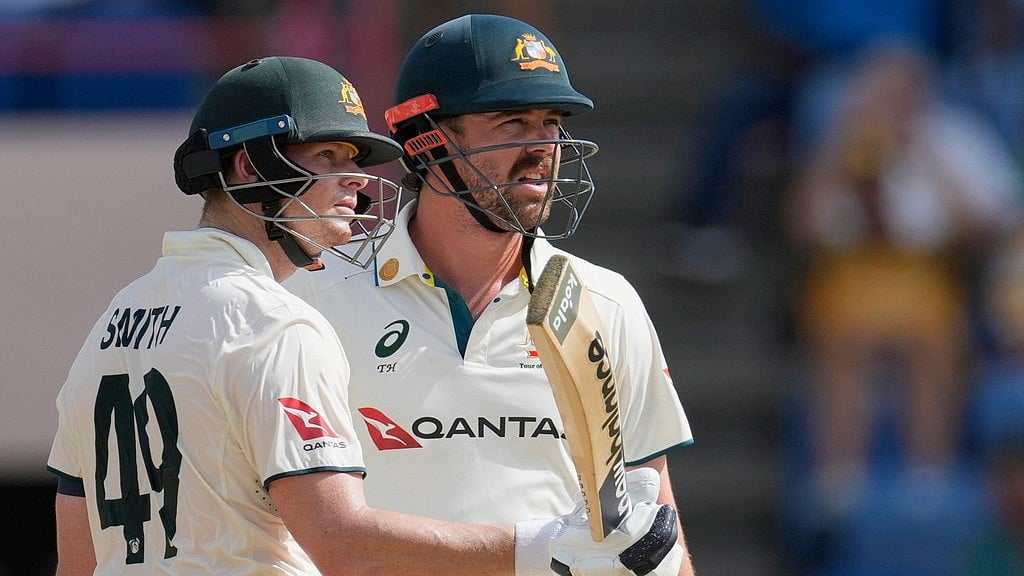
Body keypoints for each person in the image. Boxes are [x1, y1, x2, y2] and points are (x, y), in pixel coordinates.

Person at [45, 55, 684, 576]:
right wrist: (547, 547)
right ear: (248, 165)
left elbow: (77, 551)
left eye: (356, 161)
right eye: (328, 158)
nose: (354, 181)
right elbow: (346, 544)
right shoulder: (279, 323)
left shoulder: (116, 319)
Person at [284, 14, 696, 575]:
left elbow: (659, 536)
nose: (544, 147)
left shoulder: (605, 301)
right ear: (427, 141)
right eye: (512, 122)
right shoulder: (310, 296)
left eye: (551, 122)